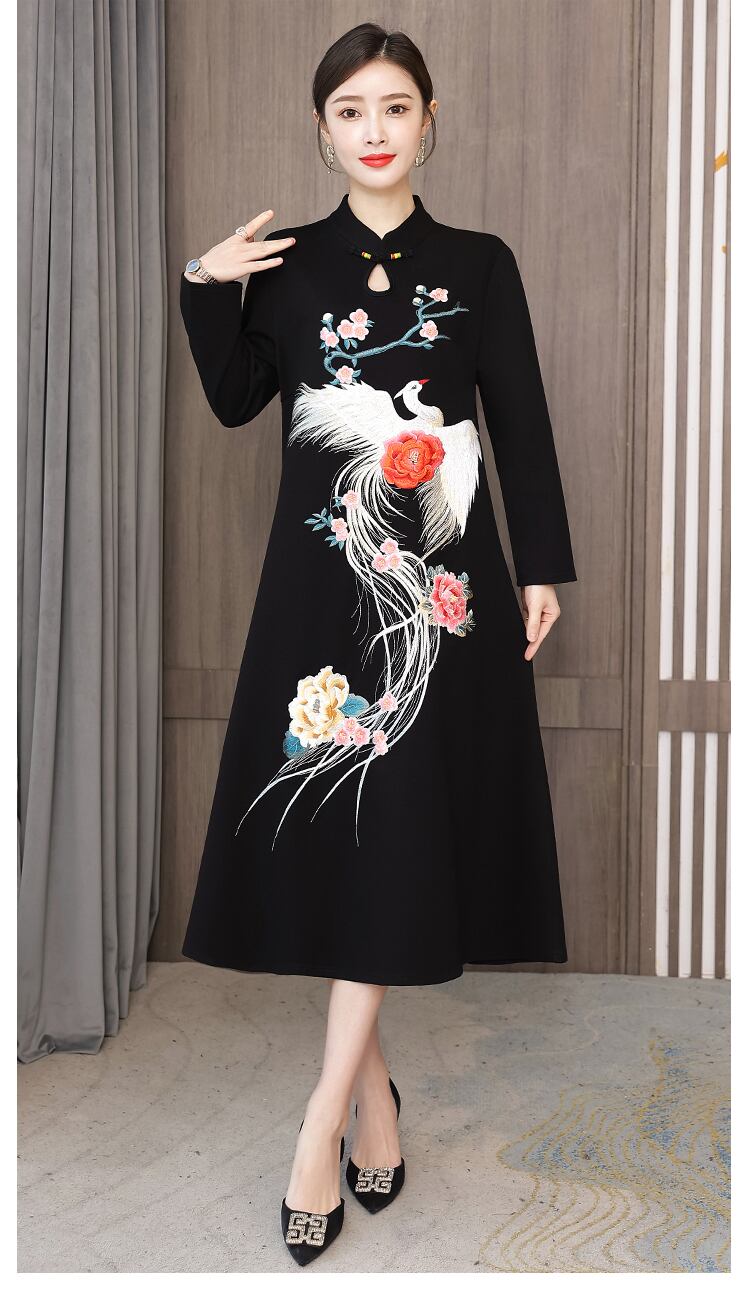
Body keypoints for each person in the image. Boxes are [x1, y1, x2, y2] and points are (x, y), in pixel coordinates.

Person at [179, 20, 577, 1266]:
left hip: (440, 586)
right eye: (350, 110)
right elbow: (237, 398)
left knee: (396, 825)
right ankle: (372, 1097)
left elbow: (517, 416)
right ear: (323, 129)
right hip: (318, 583)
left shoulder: (480, 262)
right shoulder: (288, 264)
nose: (374, 129)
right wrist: (207, 285)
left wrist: (543, 563)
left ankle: (324, 1116)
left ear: (428, 119)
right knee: (348, 824)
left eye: (395, 106)